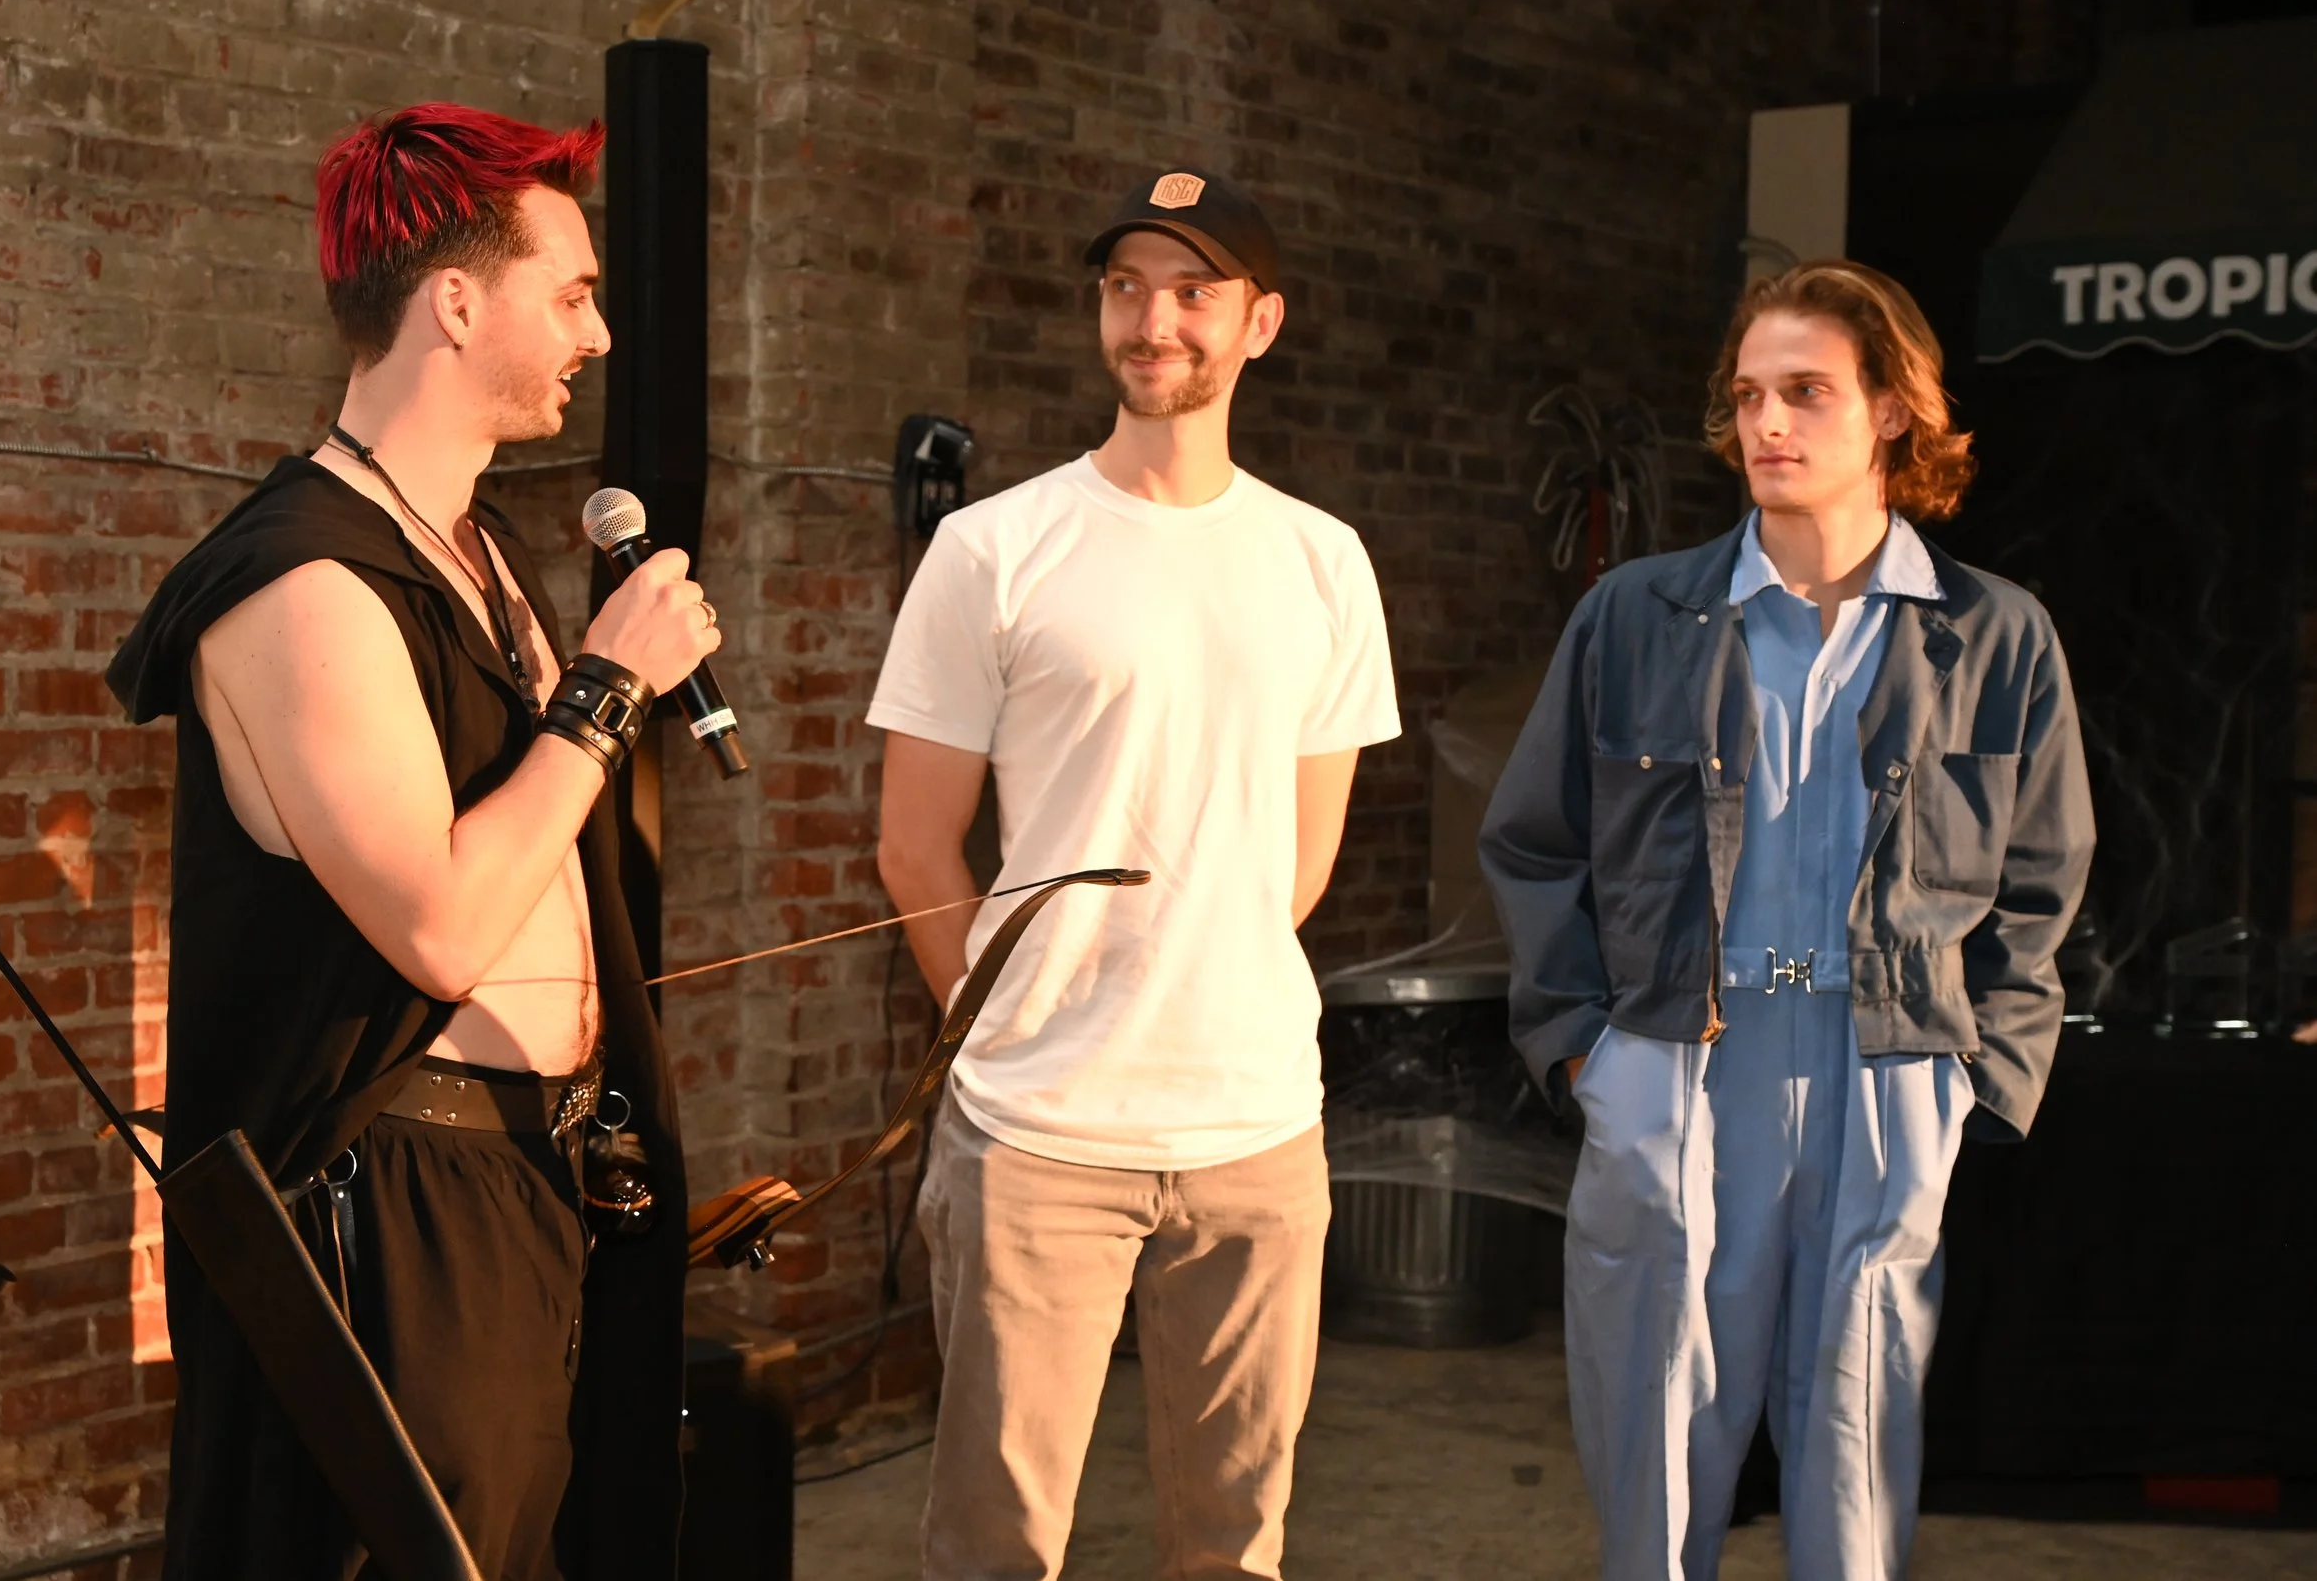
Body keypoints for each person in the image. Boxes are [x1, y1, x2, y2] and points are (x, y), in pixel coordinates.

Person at [106, 104, 719, 1580]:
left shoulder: (476, 551)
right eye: (570, 294)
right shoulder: (301, 581)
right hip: (393, 1210)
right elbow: (440, 925)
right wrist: (602, 688)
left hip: (526, 1184)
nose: (602, 335)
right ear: (455, 300)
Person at [1479, 261, 2095, 1579]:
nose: (1766, 422)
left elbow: (2043, 881)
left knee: (1858, 1439)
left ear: (1888, 411)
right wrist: (1590, 1054)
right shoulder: (1636, 617)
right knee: (1655, 1433)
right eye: (1749, 394)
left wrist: (1982, 1078)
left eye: (1805, 391)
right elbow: (1533, 839)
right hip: (1676, 1061)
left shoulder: (1993, 633)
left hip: (1889, 1069)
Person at [870, 170, 1400, 1580]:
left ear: (1260, 323)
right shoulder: (992, 549)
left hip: (1257, 1130)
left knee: (1232, 1547)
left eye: (1192, 289)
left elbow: (1300, 858)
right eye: (1125, 286)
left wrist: (1197, 980)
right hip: (1034, 1132)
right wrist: (1001, 1025)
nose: (1152, 318)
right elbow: (914, 842)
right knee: (995, 1547)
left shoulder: (1323, 562)